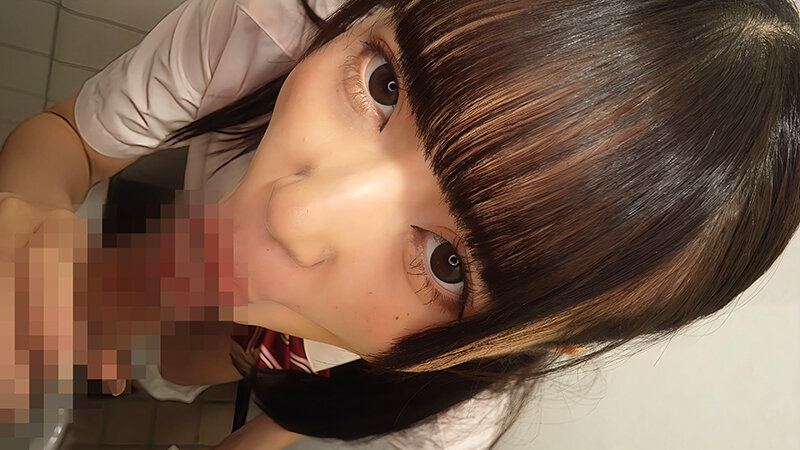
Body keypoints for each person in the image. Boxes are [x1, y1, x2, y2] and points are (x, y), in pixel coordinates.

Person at [1, 0, 799, 448]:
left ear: (540, 336)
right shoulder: (264, 29)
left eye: (450, 263)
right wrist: (29, 212)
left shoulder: (449, 413)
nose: (296, 212)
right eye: (385, 84)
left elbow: (312, 415)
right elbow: (69, 138)